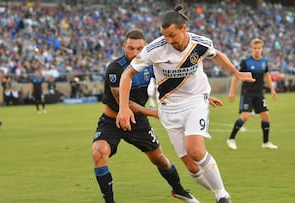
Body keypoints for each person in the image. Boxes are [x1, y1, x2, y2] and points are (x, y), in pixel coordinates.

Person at [116, 5, 255, 203]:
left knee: (196, 150)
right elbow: (127, 74)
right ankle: (216, 190)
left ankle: (222, 196)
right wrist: (123, 107)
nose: (169, 40)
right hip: (169, 109)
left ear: (184, 28)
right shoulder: (155, 49)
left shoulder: (201, 43)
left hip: (195, 101)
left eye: (172, 35)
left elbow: (218, 56)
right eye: (165, 36)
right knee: (191, 166)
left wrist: (236, 73)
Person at [92, 29, 198, 203]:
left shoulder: (151, 65)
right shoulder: (115, 69)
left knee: (159, 159)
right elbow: (125, 105)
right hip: (113, 120)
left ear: (145, 47)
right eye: (130, 48)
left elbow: (173, 84)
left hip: (138, 123)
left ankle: (178, 190)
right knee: (98, 153)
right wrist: (155, 113)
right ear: (124, 46)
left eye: (139, 48)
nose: (134, 52)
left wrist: (200, 96)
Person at [226, 38, 278, 150]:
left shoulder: (264, 62)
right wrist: (232, 91)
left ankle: (266, 142)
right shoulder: (246, 62)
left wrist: (272, 89)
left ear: (262, 49)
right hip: (247, 93)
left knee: (265, 116)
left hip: (259, 93)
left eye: (259, 48)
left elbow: (267, 75)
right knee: (245, 116)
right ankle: (231, 139)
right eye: (255, 48)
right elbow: (236, 76)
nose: (257, 50)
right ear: (252, 49)